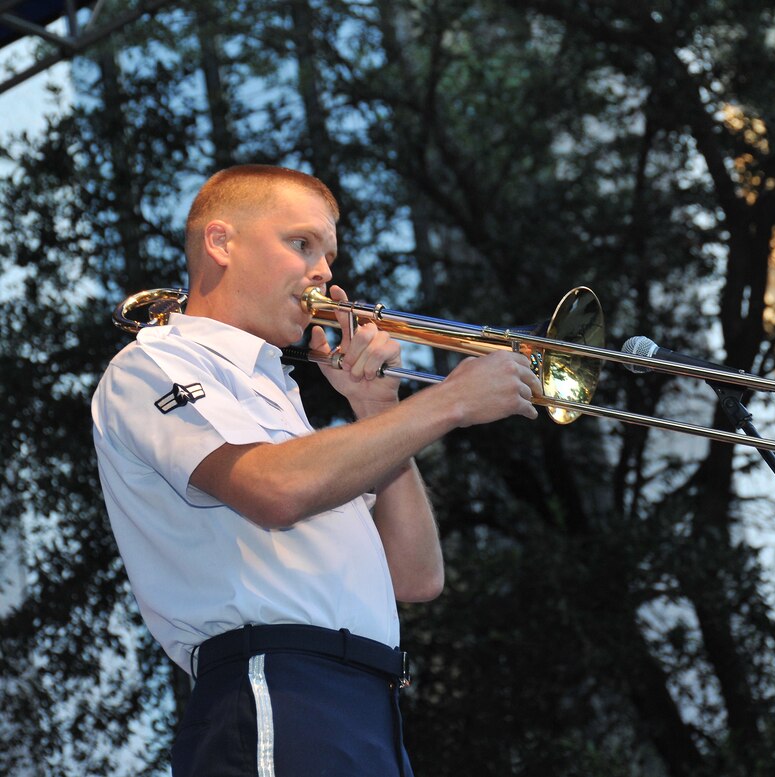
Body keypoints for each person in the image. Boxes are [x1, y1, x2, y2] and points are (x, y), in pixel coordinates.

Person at [91, 164, 540, 776]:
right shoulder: (155, 362)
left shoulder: (280, 395)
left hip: (368, 701)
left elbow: (416, 577)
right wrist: (452, 401)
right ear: (221, 243)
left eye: (327, 254)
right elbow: (273, 488)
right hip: (276, 683)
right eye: (301, 244)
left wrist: (377, 409)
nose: (324, 271)